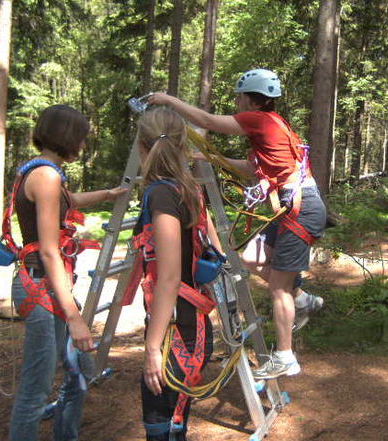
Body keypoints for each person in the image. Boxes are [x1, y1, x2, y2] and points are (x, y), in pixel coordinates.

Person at [148, 68, 327, 380]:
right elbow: (251, 169)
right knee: (252, 258)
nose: (236, 102)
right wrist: (211, 159)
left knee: (278, 288)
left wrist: (168, 100)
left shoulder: (258, 119)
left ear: (248, 98)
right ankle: (302, 299)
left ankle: (286, 356)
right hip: (289, 208)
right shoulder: (274, 127)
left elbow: (206, 122)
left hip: (300, 209)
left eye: (238, 97)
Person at [8, 104, 127, 441]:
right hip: (40, 288)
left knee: (79, 374)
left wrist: (108, 194)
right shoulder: (45, 177)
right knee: (37, 389)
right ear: (69, 137)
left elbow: (68, 199)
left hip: (49, 287)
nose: (84, 146)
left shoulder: (45, 172)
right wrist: (74, 317)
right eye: (82, 139)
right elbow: (48, 250)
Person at [132, 106, 220, 441]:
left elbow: (168, 277)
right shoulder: (188, 189)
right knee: (173, 424)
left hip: (176, 332)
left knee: (161, 425)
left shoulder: (162, 194)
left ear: (143, 148)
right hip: (189, 324)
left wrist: (152, 347)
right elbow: (214, 249)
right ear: (183, 146)